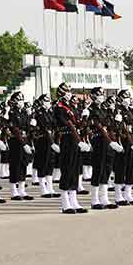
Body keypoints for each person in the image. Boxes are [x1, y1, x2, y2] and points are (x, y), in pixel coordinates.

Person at [53, 83, 87, 213]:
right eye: (66, 91)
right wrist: (79, 140)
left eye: (69, 90)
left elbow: (78, 124)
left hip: (75, 140)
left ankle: (74, 201)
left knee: (75, 170)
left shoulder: (71, 107)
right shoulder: (59, 108)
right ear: (61, 92)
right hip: (67, 140)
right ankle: (65, 203)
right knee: (67, 170)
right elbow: (69, 124)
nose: (69, 93)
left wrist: (84, 116)